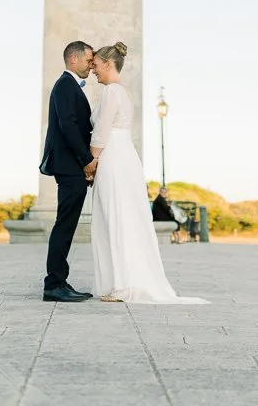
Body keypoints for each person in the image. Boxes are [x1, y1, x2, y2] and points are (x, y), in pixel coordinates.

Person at [87, 42, 208, 305]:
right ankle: (123, 281)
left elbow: (101, 130)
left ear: (108, 64)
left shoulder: (110, 92)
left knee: (114, 216)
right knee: (123, 216)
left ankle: (121, 285)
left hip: (112, 156)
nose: (93, 70)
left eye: (95, 65)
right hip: (125, 155)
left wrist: (91, 161)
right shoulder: (123, 93)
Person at [38, 40, 98, 302]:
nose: (91, 65)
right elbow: (69, 126)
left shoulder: (69, 85)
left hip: (70, 165)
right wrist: (87, 160)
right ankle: (53, 284)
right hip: (70, 166)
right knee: (64, 225)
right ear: (74, 59)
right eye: (88, 60)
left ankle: (59, 281)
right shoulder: (65, 85)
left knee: (67, 225)